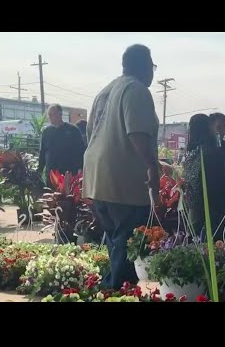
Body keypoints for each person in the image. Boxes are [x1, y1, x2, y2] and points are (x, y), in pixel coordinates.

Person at [83, 44, 159, 290]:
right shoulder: (136, 89)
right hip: (123, 182)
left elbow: (90, 133)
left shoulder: (105, 91)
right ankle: (114, 291)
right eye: (152, 67)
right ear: (144, 66)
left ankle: (110, 289)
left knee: (116, 243)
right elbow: (137, 134)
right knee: (127, 247)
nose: (152, 73)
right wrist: (153, 168)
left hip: (97, 179)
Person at [183, 114, 225, 240]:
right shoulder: (213, 151)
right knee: (215, 241)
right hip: (212, 204)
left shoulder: (190, 151)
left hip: (194, 202)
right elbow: (222, 179)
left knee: (193, 237)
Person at [37, 104, 85, 188]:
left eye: (52, 114)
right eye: (49, 115)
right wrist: (39, 170)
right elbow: (43, 152)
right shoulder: (46, 132)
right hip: (51, 175)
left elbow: (80, 150)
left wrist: (80, 167)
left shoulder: (73, 130)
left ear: (60, 114)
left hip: (68, 174)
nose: (50, 117)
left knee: (67, 200)